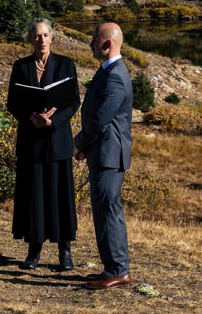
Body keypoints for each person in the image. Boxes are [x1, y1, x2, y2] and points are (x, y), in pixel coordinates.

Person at [7, 18, 80, 271]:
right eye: (37, 36)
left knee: (61, 196)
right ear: (29, 38)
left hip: (58, 140)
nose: (42, 40)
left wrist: (52, 121)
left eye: (46, 35)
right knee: (34, 195)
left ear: (52, 37)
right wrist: (31, 118)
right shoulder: (21, 66)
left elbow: (73, 102)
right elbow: (12, 103)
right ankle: (33, 251)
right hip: (31, 140)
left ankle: (64, 251)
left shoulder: (66, 64)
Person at [74, 22, 133, 289]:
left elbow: (100, 119)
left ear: (107, 44)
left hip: (109, 154)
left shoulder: (115, 75)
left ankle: (118, 271)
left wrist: (79, 143)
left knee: (108, 210)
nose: (91, 44)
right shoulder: (108, 71)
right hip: (103, 152)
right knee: (103, 210)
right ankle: (112, 268)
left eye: (94, 39)